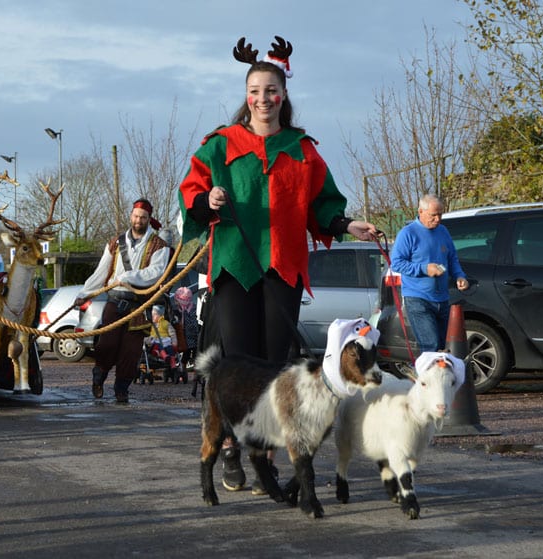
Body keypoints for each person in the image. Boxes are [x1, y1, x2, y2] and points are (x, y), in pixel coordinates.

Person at [178, 36, 378, 495]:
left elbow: (322, 205)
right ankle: (229, 444)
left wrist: (349, 226)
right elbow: (191, 190)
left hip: (283, 270)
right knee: (236, 362)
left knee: (273, 368)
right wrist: (207, 198)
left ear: (283, 96)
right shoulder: (220, 144)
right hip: (234, 267)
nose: (263, 99)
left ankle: (264, 455)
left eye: (271, 91)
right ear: (245, 97)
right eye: (254, 91)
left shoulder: (302, 149)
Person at [75, 199, 171, 403]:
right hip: (115, 300)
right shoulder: (115, 243)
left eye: (143, 217)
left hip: (139, 305)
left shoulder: (159, 245)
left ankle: (121, 390)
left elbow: (155, 273)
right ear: (131, 216)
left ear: (148, 219)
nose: (138, 220)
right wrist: (84, 293)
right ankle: (98, 378)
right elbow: (101, 272)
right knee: (107, 344)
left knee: (131, 351)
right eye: (136, 216)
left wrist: (128, 277)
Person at [390, 194, 469, 353]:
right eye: (433, 215)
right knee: (430, 347)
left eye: (440, 214)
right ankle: (425, 376)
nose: (438, 219)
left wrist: (460, 276)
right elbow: (397, 263)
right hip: (418, 298)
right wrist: (425, 269)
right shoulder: (408, 233)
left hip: (442, 299)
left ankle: (438, 377)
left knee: (444, 347)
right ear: (420, 211)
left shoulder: (443, 231)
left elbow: (452, 258)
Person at [145, 304, 179, 374]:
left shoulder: (166, 323)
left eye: (155, 314)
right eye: (152, 314)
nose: (153, 316)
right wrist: (149, 340)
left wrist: (174, 342)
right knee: (159, 346)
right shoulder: (150, 325)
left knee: (170, 348)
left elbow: (172, 333)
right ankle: (165, 357)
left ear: (160, 315)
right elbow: (145, 335)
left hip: (166, 342)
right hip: (154, 345)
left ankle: (173, 365)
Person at [172, 286, 199, 374]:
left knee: (192, 351)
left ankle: (191, 368)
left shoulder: (187, 309)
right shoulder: (190, 308)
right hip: (187, 334)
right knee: (188, 351)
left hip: (190, 333)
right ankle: (185, 367)